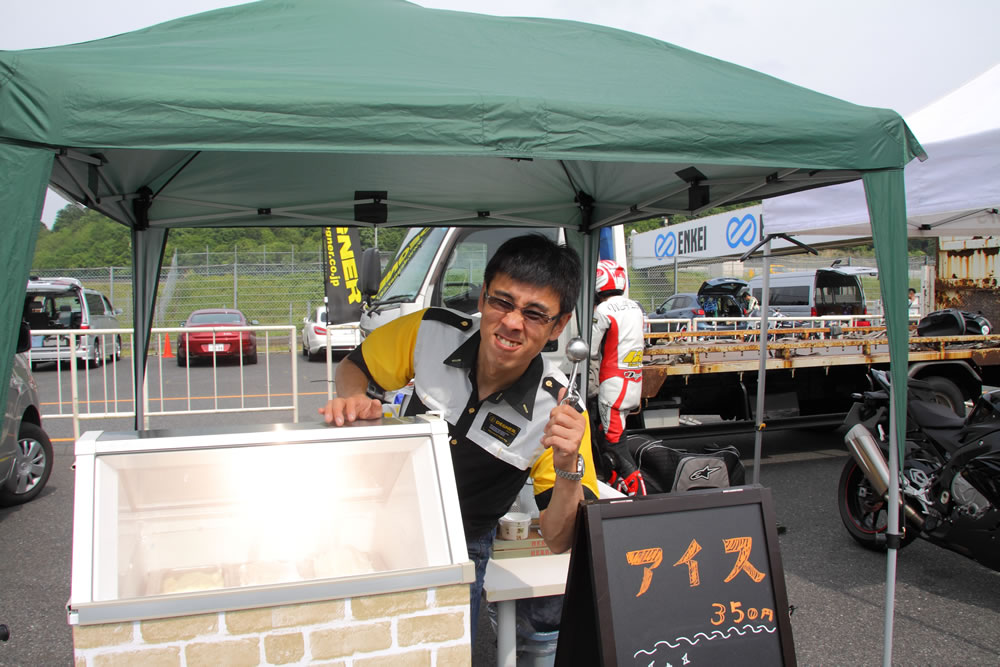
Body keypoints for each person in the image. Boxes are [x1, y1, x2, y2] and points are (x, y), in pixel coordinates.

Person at [319, 234, 599, 643]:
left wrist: (568, 467)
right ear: (483, 296)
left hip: (463, 545)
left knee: (441, 649)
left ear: (559, 325)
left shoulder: (559, 411)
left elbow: (559, 539)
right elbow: (354, 366)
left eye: (535, 314)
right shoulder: (431, 331)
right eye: (502, 302)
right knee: (354, 638)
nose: (512, 323)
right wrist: (354, 398)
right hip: (381, 520)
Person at [591, 259, 646, 495]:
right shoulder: (635, 307)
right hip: (633, 380)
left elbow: (589, 349)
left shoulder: (603, 310)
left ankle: (639, 495)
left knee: (614, 445)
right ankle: (615, 487)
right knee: (610, 436)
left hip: (612, 383)